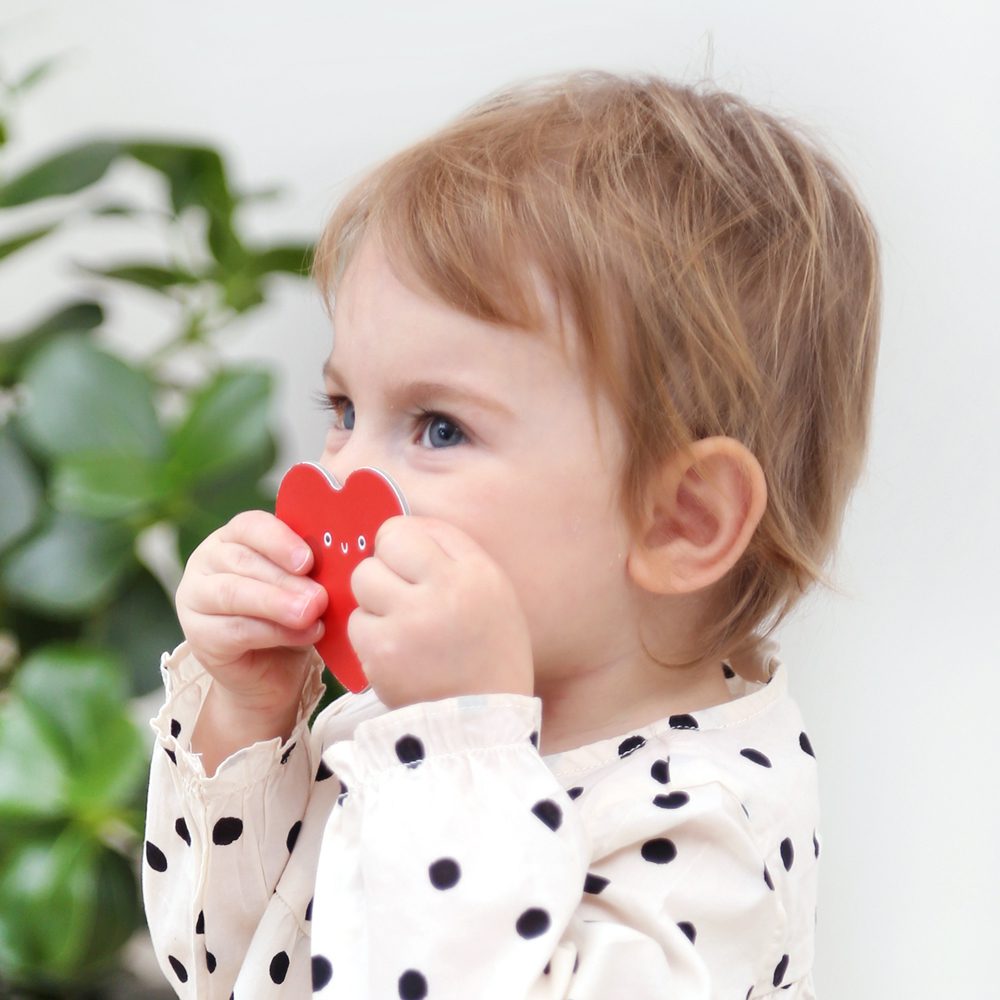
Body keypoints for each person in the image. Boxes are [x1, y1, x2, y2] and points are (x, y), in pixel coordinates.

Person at [142, 70, 880, 999]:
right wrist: (248, 715)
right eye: (343, 408)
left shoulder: (705, 826)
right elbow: (225, 971)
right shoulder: (396, 714)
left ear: (681, 520)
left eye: (440, 428)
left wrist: (457, 751)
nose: (345, 478)